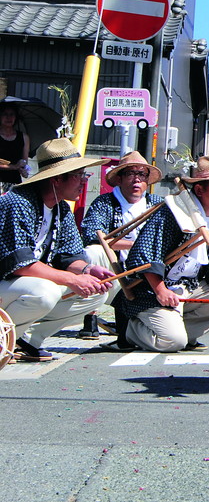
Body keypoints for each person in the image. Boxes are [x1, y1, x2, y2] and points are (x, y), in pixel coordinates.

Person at [0, 138, 113, 361]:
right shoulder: (18, 202)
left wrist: (87, 270)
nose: (84, 182)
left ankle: (25, 340)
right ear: (57, 179)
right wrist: (71, 280)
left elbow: (69, 255)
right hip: (8, 281)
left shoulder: (61, 207)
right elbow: (21, 264)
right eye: (78, 175)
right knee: (45, 291)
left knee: (96, 294)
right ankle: (3, 339)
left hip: (21, 285)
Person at [121, 156, 209, 353]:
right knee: (173, 342)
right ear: (199, 190)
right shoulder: (172, 212)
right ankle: (132, 329)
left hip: (188, 286)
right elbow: (144, 256)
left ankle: (177, 329)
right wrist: (161, 290)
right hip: (153, 291)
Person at [79, 151, 164, 347]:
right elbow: (92, 236)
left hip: (149, 271)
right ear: (120, 178)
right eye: (130, 174)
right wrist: (138, 245)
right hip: (113, 271)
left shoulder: (158, 205)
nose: (136, 179)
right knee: (92, 252)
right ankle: (90, 316)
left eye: (142, 174)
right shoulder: (104, 203)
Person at [0, 102, 30, 190]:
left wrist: (24, 170)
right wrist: (14, 166)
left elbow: (24, 162)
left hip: (14, 183)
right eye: (5, 114)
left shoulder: (24, 137)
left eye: (11, 114)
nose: (8, 117)